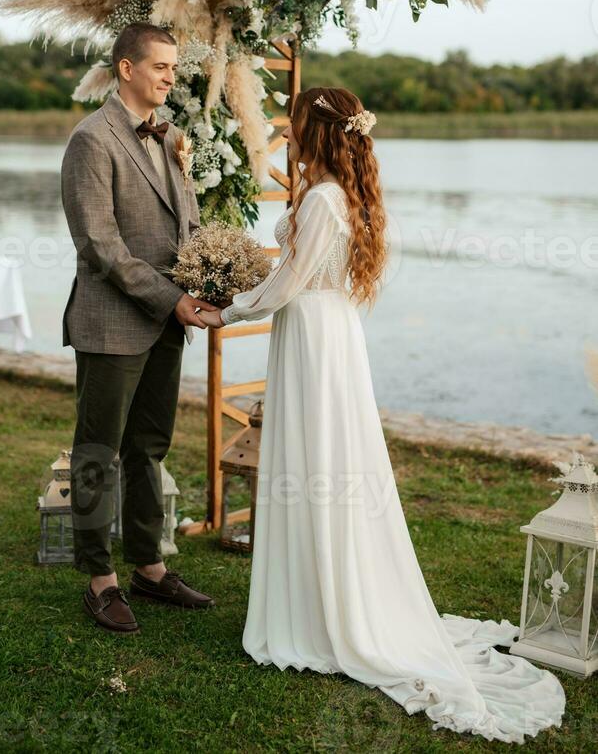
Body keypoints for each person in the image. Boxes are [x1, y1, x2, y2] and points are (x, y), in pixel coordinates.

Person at [198, 86, 565, 743]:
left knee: (314, 458)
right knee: (328, 461)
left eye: (294, 125)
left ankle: (319, 613)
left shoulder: (319, 198)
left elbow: (286, 286)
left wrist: (221, 309)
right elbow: (301, 273)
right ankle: (323, 592)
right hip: (332, 333)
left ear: (312, 130)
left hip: (311, 333)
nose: (288, 135)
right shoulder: (348, 193)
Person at [61, 22, 217, 634]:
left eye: (174, 69)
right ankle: (100, 580)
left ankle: (149, 568)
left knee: (148, 447)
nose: (171, 78)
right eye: (161, 67)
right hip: (112, 323)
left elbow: (188, 219)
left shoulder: (171, 135)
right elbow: (100, 245)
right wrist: (171, 299)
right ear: (127, 68)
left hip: (167, 321)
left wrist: (208, 270)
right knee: (98, 451)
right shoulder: (90, 141)